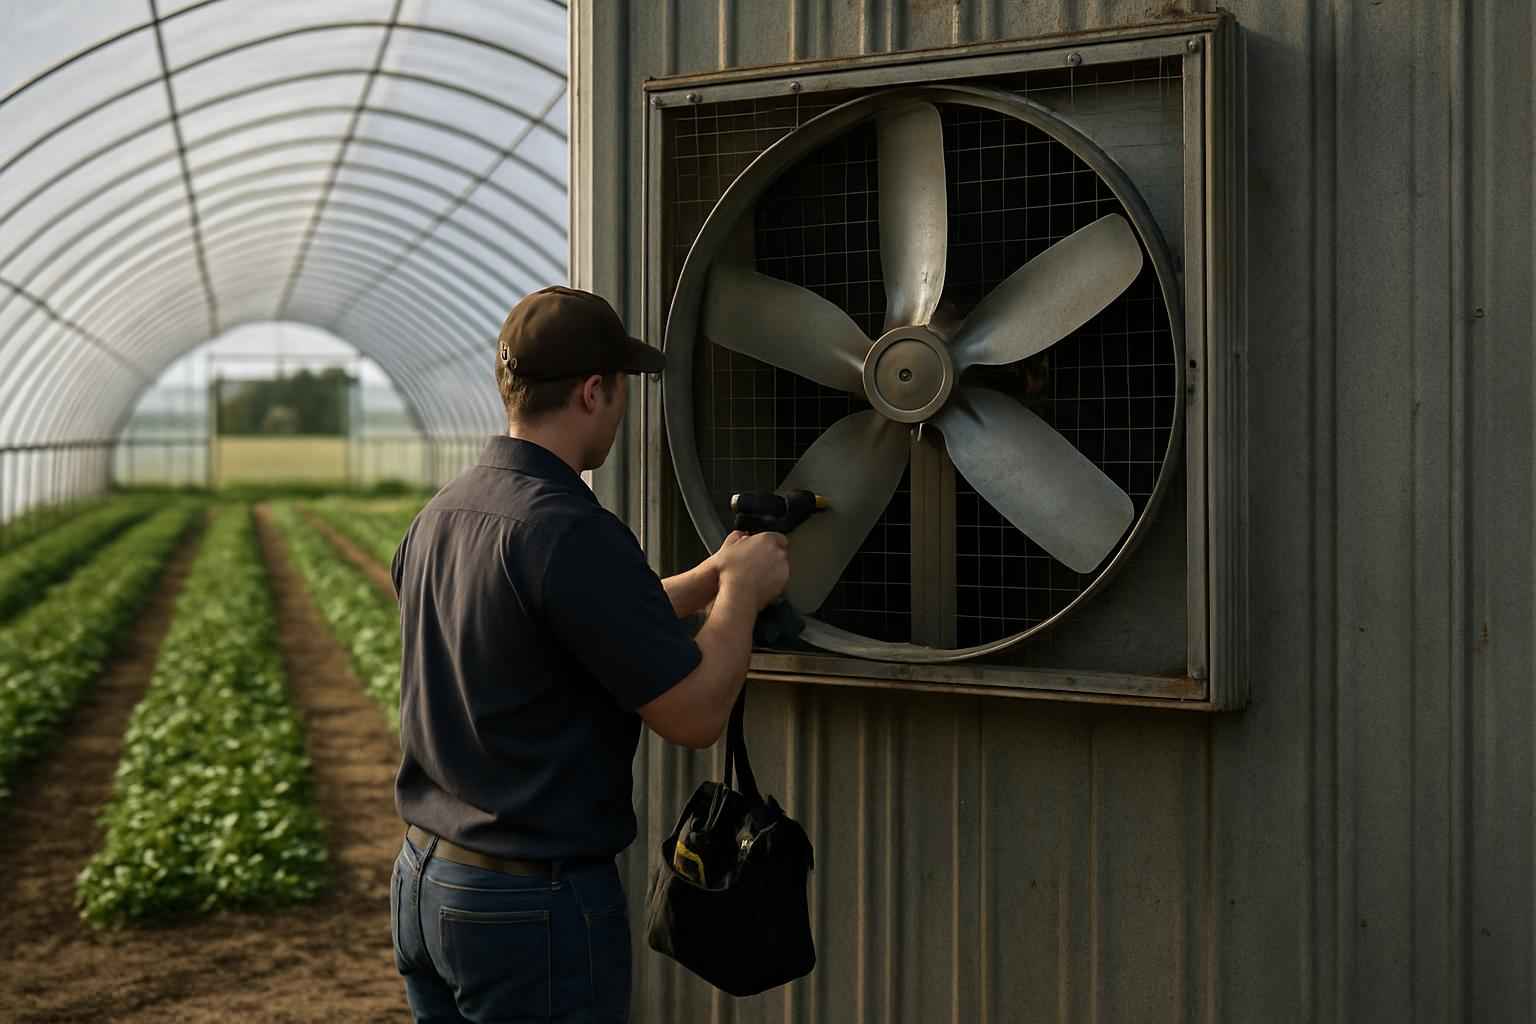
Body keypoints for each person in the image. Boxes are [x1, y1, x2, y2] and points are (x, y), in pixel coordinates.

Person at [387, 285, 790, 1023]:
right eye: (622, 388)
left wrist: (707, 578)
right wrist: (743, 592)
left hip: (426, 882)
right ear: (593, 391)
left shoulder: (443, 514)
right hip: (526, 907)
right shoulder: (568, 529)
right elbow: (694, 715)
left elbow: (551, 620)